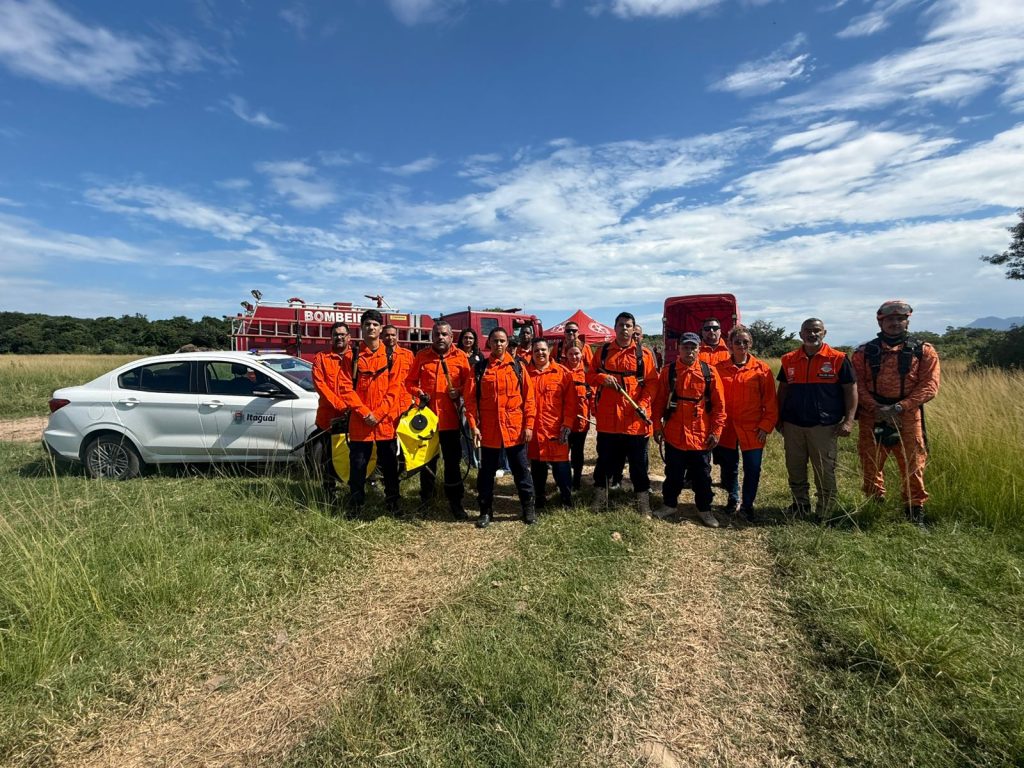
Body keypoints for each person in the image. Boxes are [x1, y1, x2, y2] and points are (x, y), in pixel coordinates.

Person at [852, 300, 940, 527]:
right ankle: (874, 507)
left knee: (914, 465)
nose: (895, 323)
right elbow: (856, 385)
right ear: (880, 321)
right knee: (870, 463)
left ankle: (915, 513)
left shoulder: (923, 350)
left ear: (907, 321)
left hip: (909, 416)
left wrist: (900, 407)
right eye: (890, 319)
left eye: (900, 318)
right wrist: (875, 407)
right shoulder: (864, 352)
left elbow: (930, 385)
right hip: (873, 415)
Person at [776, 318, 857, 520]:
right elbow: (783, 391)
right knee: (795, 467)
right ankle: (800, 505)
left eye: (817, 330)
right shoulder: (789, 359)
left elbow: (851, 390)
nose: (812, 334)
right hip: (793, 424)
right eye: (808, 331)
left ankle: (826, 511)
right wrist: (778, 417)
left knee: (824, 470)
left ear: (824, 333)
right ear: (800, 334)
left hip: (824, 426)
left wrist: (848, 421)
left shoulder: (838, 358)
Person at [587, 312, 659, 516]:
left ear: (634, 329)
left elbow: (652, 383)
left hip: (634, 419)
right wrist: (602, 378)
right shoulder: (602, 352)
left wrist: (644, 404)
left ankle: (643, 502)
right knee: (604, 461)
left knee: (638, 465)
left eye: (628, 325)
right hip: (609, 420)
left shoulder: (643, 354)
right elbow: (589, 375)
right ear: (615, 328)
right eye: (621, 325)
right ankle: (600, 497)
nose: (624, 329)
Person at [652, 332, 727, 527]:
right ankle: (669, 504)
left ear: (699, 349)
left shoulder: (708, 373)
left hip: (700, 436)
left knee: (702, 476)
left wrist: (716, 431)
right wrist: (656, 426)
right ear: (679, 348)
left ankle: (704, 509)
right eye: (685, 347)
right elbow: (659, 402)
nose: (689, 351)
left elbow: (719, 406)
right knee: (673, 474)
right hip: (674, 435)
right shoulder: (668, 372)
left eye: (693, 347)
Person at [466, 327, 536, 527]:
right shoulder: (480, 369)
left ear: (507, 343)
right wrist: (473, 426)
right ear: (489, 343)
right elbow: (470, 401)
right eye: (495, 341)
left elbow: (529, 399)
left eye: (502, 341)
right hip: (489, 431)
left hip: (515, 430)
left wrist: (529, 425)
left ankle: (528, 509)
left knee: (522, 471)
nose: (498, 344)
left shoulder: (518, 367)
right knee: (486, 474)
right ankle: (485, 511)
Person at [405, 321, 473, 520]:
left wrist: (458, 392)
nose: (440, 338)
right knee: (427, 464)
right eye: (437, 334)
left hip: (450, 420)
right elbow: (409, 382)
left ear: (451, 337)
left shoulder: (460, 357)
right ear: (431, 337)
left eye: (444, 334)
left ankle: (456, 503)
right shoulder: (422, 357)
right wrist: (419, 393)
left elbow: (469, 385)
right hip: (428, 421)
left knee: (452, 464)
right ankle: (426, 501)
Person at [336, 310, 402, 515]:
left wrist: (379, 414)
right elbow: (345, 388)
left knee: (390, 467)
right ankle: (356, 505)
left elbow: (395, 389)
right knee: (358, 466)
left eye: (374, 324)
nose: (371, 327)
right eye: (367, 324)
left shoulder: (392, 356)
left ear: (381, 329)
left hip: (384, 423)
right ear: (361, 328)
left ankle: (393, 503)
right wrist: (365, 413)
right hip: (360, 422)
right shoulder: (351, 356)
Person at [715, 325, 778, 522]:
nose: (741, 345)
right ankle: (733, 499)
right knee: (729, 467)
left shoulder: (761, 370)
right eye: (737, 342)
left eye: (745, 342)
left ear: (750, 344)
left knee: (752, 468)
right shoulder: (720, 368)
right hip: (727, 428)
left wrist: (765, 426)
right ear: (730, 345)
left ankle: (748, 505)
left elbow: (771, 402)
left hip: (753, 428)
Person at [527, 338, 577, 510]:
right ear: (531, 353)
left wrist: (567, 424)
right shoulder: (525, 374)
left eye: (543, 350)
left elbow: (571, 403)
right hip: (535, 429)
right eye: (536, 351)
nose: (540, 353)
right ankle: (540, 498)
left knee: (561, 466)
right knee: (537, 466)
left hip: (556, 429)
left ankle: (566, 499)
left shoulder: (562, 373)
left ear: (549, 352)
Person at [310, 322, 351, 497]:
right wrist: (342, 406)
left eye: (342, 334)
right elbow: (321, 387)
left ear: (349, 337)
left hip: (353, 417)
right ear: (331, 337)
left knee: (354, 455)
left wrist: (353, 408)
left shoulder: (356, 357)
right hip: (328, 419)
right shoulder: (321, 358)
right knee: (328, 457)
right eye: (336, 334)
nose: (339, 337)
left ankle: (355, 489)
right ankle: (329, 491)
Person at [564, 341, 593, 490]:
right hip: (564, 421)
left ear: (582, 354)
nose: (574, 356)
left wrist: (595, 412)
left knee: (578, 452)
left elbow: (593, 395)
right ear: (566, 355)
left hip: (582, 420)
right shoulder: (561, 371)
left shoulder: (588, 373)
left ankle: (576, 482)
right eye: (571, 354)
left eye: (577, 353)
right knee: (563, 451)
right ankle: (564, 481)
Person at [457, 328, 483, 468]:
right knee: (462, 430)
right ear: (461, 339)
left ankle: (476, 460)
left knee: (473, 429)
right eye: (465, 337)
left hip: (475, 398)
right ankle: (466, 459)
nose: (468, 340)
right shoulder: (455, 355)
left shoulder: (479, 357)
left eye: (471, 338)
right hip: (460, 397)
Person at [383, 324, 414, 420]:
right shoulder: (378, 356)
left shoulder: (408, 355)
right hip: (385, 403)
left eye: (393, 335)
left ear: (397, 336)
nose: (390, 338)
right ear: (382, 337)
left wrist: (416, 402)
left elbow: (416, 379)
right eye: (387, 335)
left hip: (405, 404)